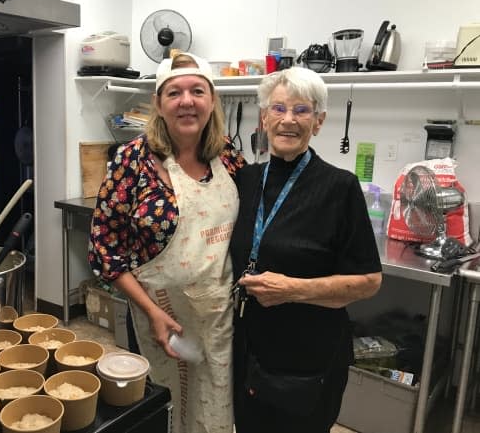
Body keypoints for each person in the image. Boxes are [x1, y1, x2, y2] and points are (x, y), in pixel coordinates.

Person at [88, 52, 245, 433]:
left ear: (211, 100)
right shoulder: (132, 160)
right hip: (162, 317)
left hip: (220, 316)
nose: (187, 101)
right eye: (174, 93)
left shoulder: (228, 156)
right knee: (169, 407)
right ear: (158, 103)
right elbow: (104, 250)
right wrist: (152, 312)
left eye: (197, 91)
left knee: (218, 407)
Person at [230, 67, 382, 433]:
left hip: (307, 358)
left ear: (318, 122)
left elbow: (368, 282)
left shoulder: (340, 188)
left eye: (301, 110)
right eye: (278, 109)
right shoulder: (245, 179)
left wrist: (293, 290)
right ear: (263, 118)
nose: (288, 120)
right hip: (246, 347)